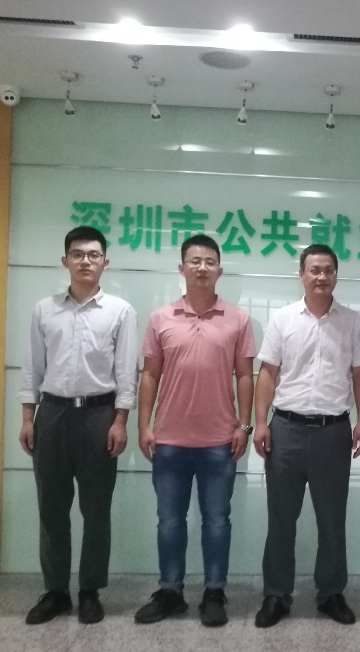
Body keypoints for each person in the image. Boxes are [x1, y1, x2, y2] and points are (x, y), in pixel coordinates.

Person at [133, 235, 255, 627]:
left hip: (219, 441)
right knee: (169, 521)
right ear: (181, 268)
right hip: (168, 440)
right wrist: (144, 425)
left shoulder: (238, 319)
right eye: (195, 261)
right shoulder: (160, 318)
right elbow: (150, 375)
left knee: (217, 521)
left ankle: (214, 593)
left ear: (220, 269)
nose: (202, 268)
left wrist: (244, 425)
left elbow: (245, 376)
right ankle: (170, 592)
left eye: (209, 261)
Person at [18, 226, 138, 624]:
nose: (86, 261)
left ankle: (89, 591)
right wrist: (27, 418)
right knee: (51, 508)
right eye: (78, 254)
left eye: (93, 255)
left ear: (105, 262)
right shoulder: (44, 310)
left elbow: (126, 373)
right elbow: (32, 369)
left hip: (98, 417)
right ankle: (55, 591)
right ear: (65, 260)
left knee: (96, 509)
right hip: (52, 415)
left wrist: (120, 421)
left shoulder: (120, 311)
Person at [252, 244, 360, 628]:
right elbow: (267, 373)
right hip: (285, 429)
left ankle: (331, 593)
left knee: (332, 519)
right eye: (314, 270)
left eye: (328, 270)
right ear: (301, 274)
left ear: (336, 275)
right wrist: (260, 422)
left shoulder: (351, 321)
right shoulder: (283, 319)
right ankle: (276, 594)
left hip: (333, 431)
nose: (321, 276)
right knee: (281, 518)